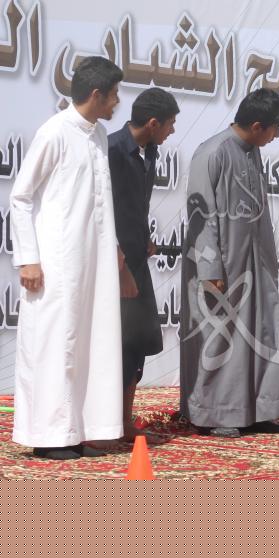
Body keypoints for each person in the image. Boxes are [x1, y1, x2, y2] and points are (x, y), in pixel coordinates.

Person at [10, 56, 125, 460]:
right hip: (56, 262)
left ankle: (77, 431)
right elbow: (20, 197)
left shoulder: (99, 134)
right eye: (114, 95)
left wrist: (112, 250)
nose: (117, 102)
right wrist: (28, 258)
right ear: (96, 94)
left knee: (89, 342)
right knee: (56, 345)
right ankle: (48, 437)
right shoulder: (54, 132)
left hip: (93, 260)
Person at [180, 88, 279, 438]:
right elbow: (201, 216)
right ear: (258, 125)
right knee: (220, 337)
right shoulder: (212, 152)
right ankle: (215, 414)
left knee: (262, 333)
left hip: (254, 265)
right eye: (274, 129)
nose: (276, 136)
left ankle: (260, 409)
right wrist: (210, 269)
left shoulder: (252, 151)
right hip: (221, 267)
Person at [108, 87, 179, 442]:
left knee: (138, 342)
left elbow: (135, 207)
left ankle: (125, 421)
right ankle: (111, 423)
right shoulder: (112, 151)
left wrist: (144, 237)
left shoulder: (149, 152)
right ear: (153, 123)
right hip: (114, 264)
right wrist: (119, 261)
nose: (172, 130)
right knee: (119, 343)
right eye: (170, 123)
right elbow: (104, 211)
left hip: (136, 258)